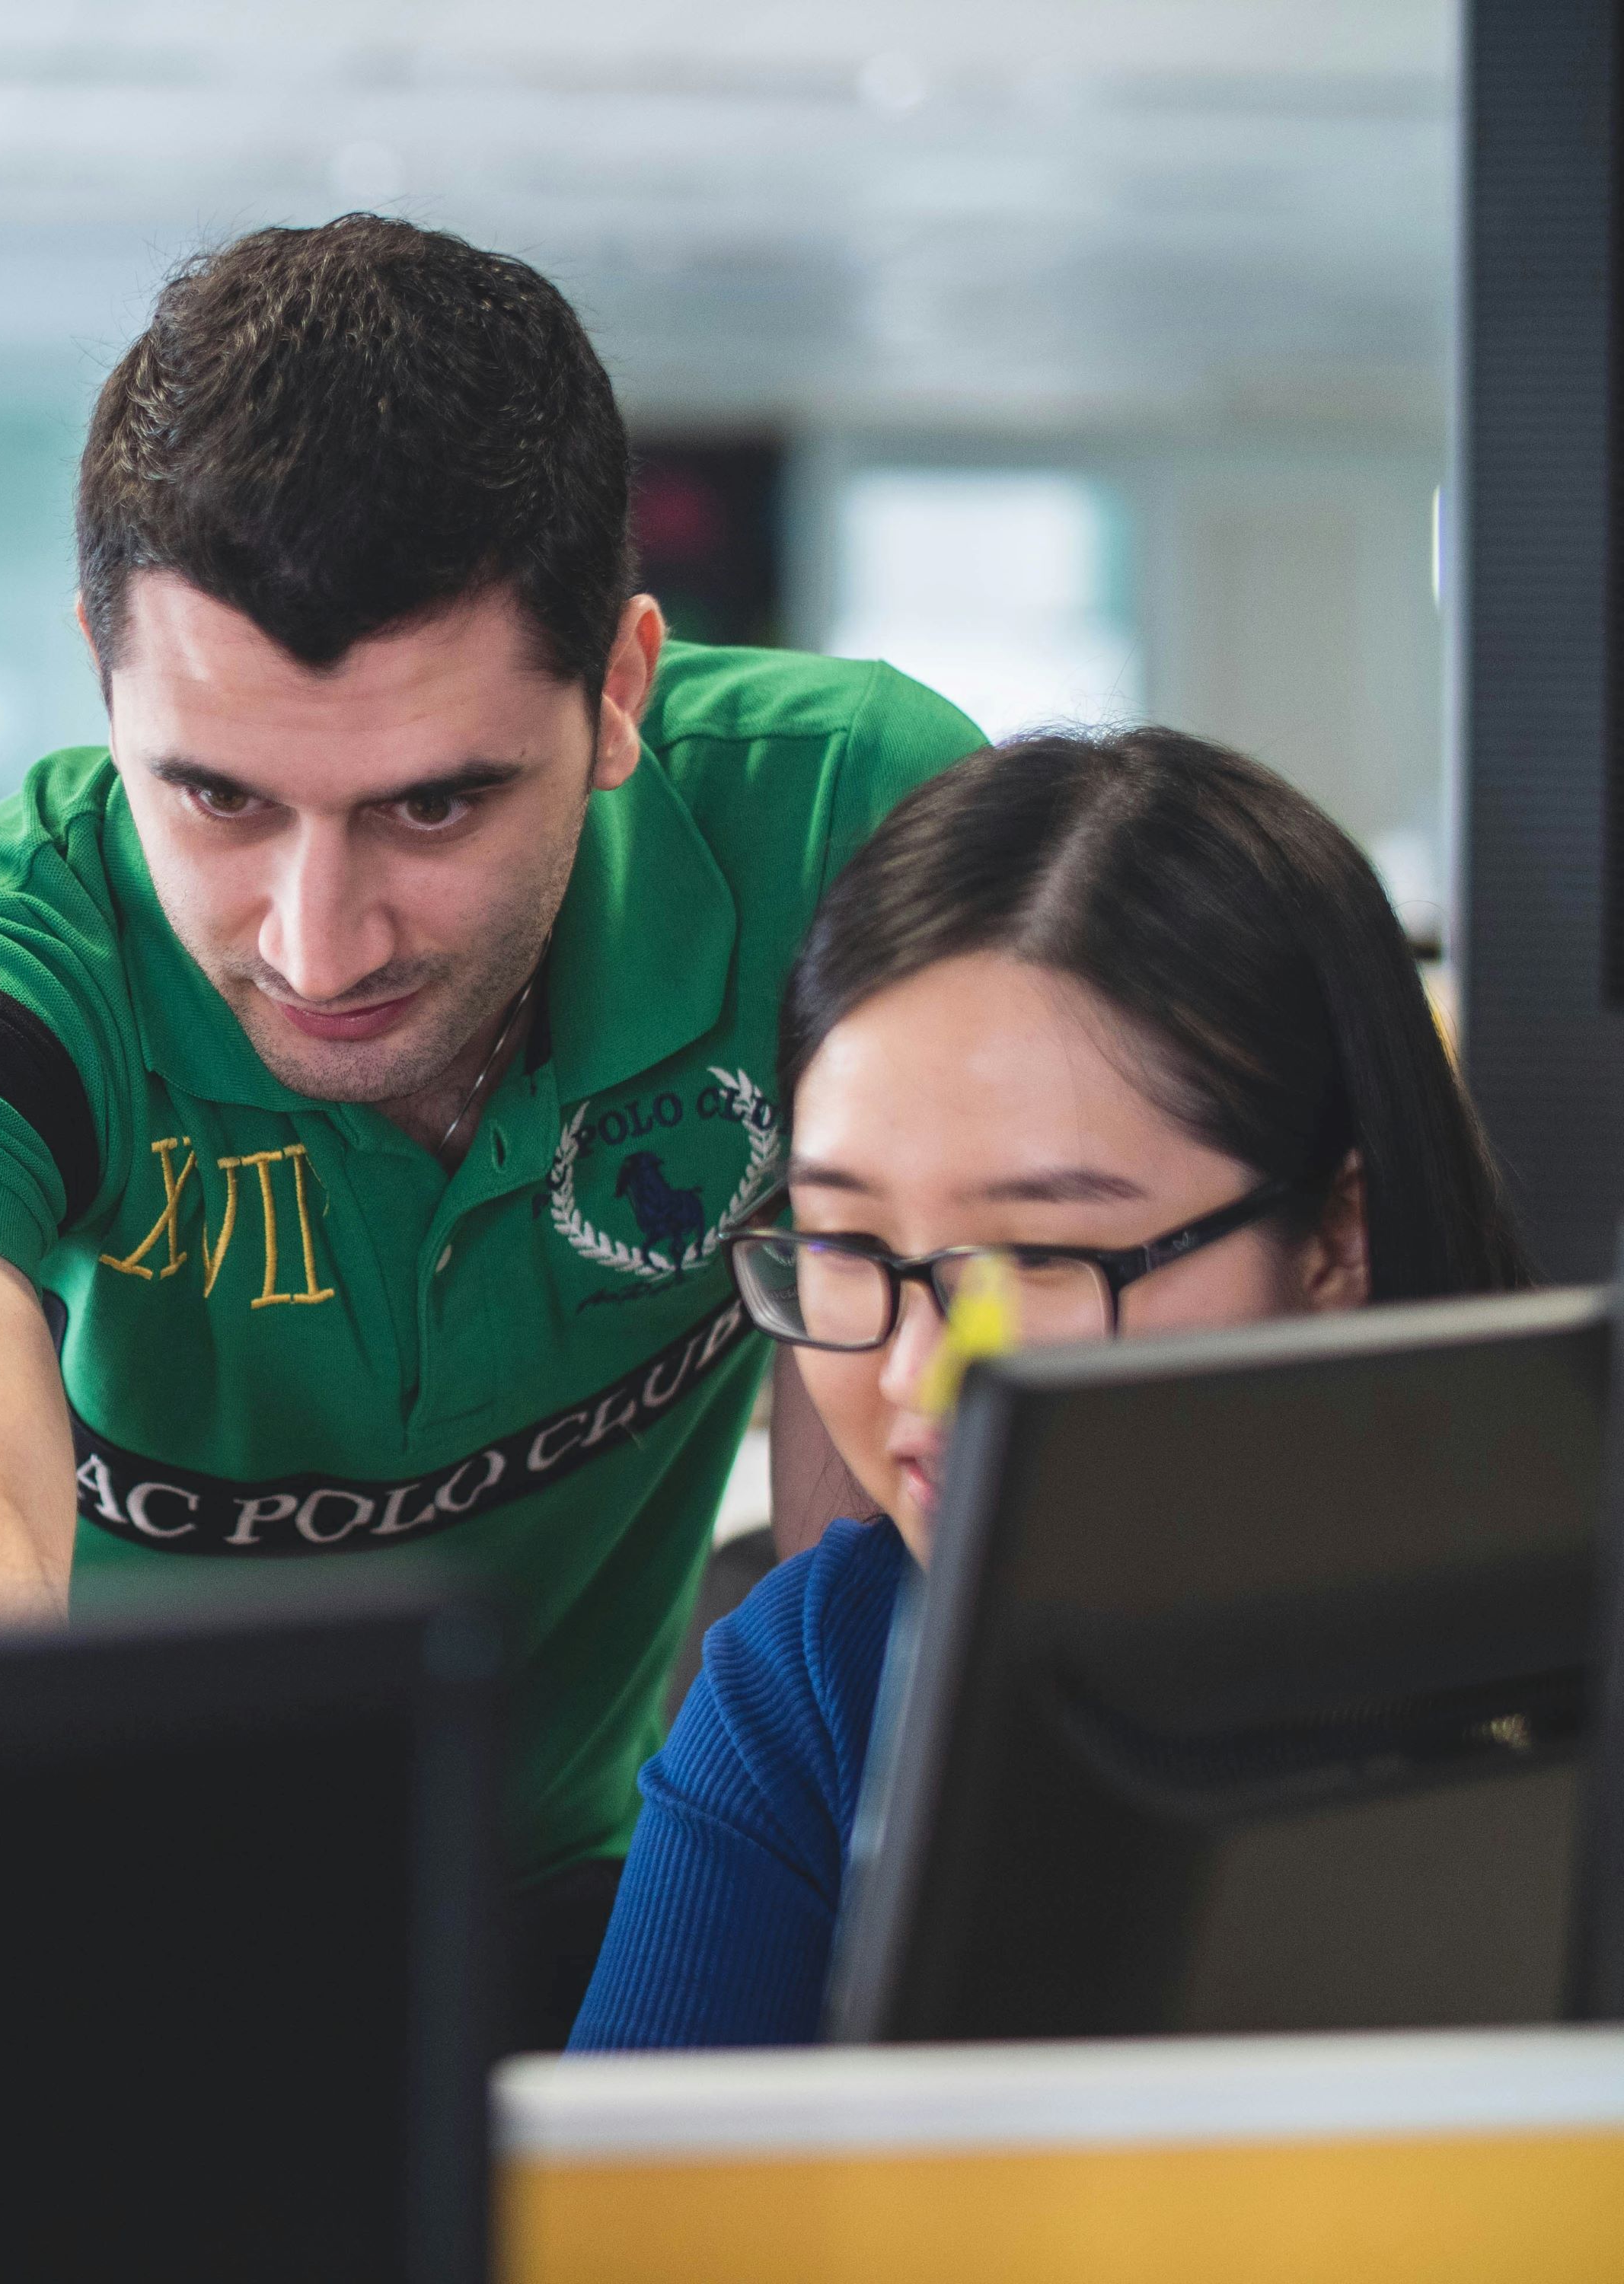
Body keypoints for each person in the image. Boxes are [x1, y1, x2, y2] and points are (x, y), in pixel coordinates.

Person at [0, 213, 983, 2046]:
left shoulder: (846, 813)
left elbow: (869, 1565)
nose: (314, 940)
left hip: (581, 1892)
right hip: (48, 1923)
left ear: (621, 688)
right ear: (101, 680)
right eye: (215, 797)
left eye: (432, 807)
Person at [567, 727, 1537, 2051]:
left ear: (1333, 1241)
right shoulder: (820, 1676)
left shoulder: (1552, 1659)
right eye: (848, 1244)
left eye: (1034, 1256)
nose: (918, 1374)